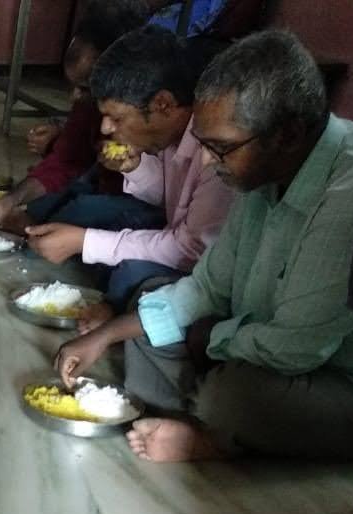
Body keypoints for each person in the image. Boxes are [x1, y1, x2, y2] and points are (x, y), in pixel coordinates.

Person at [54, 31, 353, 462]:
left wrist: (209, 337)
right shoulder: (266, 168)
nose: (205, 161)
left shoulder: (350, 196)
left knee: (230, 397)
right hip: (246, 340)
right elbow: (208, 286)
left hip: (330, 376)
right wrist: (107, 336)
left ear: (289, 134)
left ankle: (213, 439)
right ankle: (204, 416)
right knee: (150, 301)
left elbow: (295, 349)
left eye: (220, 148)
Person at [25, 27, 233, 318]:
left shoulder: (216, 150)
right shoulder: (170, 134)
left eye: (116, 117)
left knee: (129, 273)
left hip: (203, 264)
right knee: (89, 215)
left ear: (163, 104)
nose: (106, 127)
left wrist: (85, 241)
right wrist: (135, 168)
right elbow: (171, 198)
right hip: (175, 234)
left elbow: (191, 250)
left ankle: (119, 311)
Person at [0, 1, 153, 236]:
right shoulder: (89, 105)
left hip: (141, 207)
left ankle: (48, 229)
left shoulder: (148, 110)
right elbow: (66, 159)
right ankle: (45, 224)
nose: (74, 96)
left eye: (85, 88)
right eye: (72, 86)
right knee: (53, 198)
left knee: (82, 208)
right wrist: (10, 199)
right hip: (101, 187)